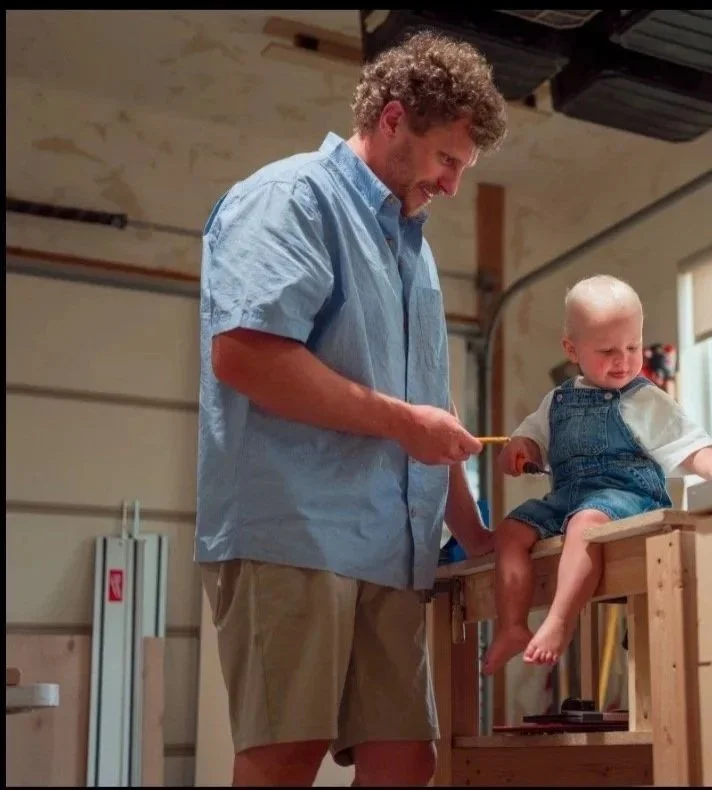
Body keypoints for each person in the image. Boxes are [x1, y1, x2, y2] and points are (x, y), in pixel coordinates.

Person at [195, 31, 508, 787]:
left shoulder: (413, 246)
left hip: (390, 547)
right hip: (293, 531)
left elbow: (431, 414)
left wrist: (476, 538)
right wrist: (405, 424)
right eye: (446, 160)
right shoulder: (290, 199)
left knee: (406, 760)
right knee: (285, 756)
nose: (453, 185)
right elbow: (245, 355)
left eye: (464, 169)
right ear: (393, 119)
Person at [480, 275, 712, 676]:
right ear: (571, 349)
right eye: (608, 350)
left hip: (627, 497)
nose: (624, 360)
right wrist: (520, 448)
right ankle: (511, 626)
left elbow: (688, 443)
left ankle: (561, 621)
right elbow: (530, 436)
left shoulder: (645, 398)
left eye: (632, 347)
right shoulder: (558, 400)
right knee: (510, 531)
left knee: (587, 525)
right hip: (567, 498)